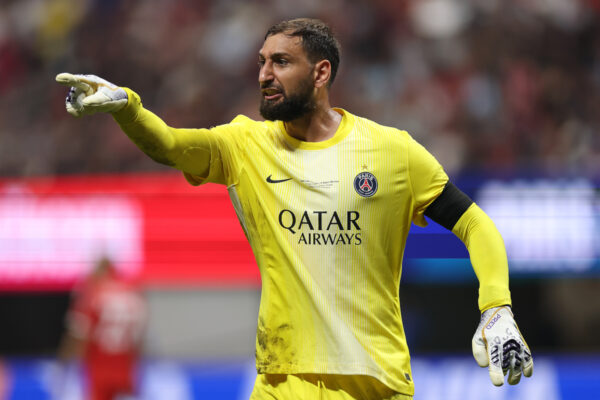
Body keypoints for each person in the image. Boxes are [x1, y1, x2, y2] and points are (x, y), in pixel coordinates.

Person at [56, 18, 532, 400]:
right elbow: (172, 147)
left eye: (281, 62)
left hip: (373, 382)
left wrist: (497, 309)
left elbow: (473, 222)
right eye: (262, 62)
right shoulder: (244, 144)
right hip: (281, 382)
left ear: (321, 73)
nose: (265, 74)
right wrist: (127, 108)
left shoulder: (392, 152)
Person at [58, 257, 147, 400]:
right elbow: (139, 337)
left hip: (99, 367)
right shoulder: (132, 294)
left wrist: (65, 359)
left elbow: (79, 333)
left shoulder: (93, 293)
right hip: (125, 367)